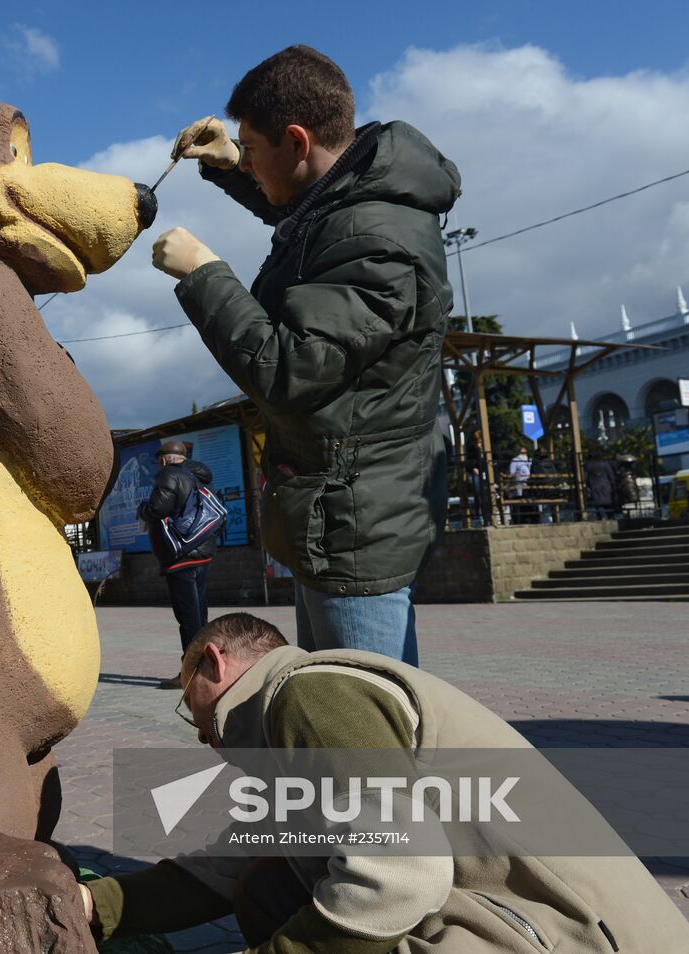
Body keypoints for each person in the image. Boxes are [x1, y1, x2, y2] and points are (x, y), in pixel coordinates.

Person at [77, 612, 689, 953]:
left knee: (355, 901)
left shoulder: (309, 693)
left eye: (191, 704)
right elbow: (227, 864)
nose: (199, 734)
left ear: (214, 661)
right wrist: (94, 908)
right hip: (528, 922)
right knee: (268, 882)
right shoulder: (288, 727)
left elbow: (399, 874)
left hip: (578, 937)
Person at [150, 45, 460, 666]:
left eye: (256, 149)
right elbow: (301, 206)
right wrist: (233, 163)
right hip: (334, 515)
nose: (253, 167)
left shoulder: (378, 240)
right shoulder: (350, 196)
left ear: (296, 141)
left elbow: (288, 371)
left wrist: (205, 274)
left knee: (368, 742)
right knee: (330, 722)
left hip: (357, 533)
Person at [136, 439, 218, 689]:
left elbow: (156, 509)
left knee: (187, 616)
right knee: (199, 612)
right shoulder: (201, 476)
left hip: (180, 555)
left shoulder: (169, 476)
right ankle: (207, 666)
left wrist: (142, 509)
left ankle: (192, 673)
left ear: (164, 459)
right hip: (202, 550)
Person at [583, 447, 617, 520]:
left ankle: (602, 518)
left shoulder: (588, 465)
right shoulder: (605, 464)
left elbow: (584, 478)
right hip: (606, 486)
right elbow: (611, 476)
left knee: (598, 505)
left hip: (594, 487)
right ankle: (611, 517)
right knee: (608, 504)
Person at [463, 431, 486, 526]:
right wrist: (473, 468)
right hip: (476, 473)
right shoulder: (473, 449)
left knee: (485, 493)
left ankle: (484, 513)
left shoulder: (484, 449)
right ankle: (479, 514)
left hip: (483, 473)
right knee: (478, 493)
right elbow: (468, 462)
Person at [507, 445, 532, 524]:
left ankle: (520, 521)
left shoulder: (515, 461)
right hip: (527, 487)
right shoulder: (529, 460)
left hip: (519, 487)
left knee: (518, 505)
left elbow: (511, 473)